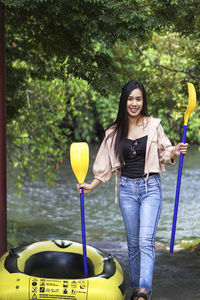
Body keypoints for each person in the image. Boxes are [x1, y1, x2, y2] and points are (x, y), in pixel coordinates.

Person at [77, 80, 188, 300]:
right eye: (130, 98)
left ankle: (144, 292)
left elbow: (165, 152)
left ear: (143, 101)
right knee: (134, 244)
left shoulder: (154, 125)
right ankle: (136, 288)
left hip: (150, 188)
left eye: (138, 98)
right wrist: (91, 185)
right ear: (124, 101)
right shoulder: (113, 131)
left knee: (146, 240)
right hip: (127, 189)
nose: (134, 103)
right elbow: (105, 165)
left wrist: (175, 150)